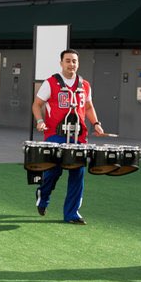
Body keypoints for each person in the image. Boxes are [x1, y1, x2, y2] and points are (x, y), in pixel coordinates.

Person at [31, 49, 106, 224]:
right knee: (53, 171)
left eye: (74, 61)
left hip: (78, 137)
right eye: (68, 61)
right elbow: (37, 105)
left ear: (78, 63)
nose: (71, 64)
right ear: (61, 63)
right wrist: (40, 120)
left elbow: (88, 107)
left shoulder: (85, 85)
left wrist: (96, 123)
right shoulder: (50, 83)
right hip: (55, 135)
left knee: (77, 173)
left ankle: (72, 214)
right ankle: (43, 196)